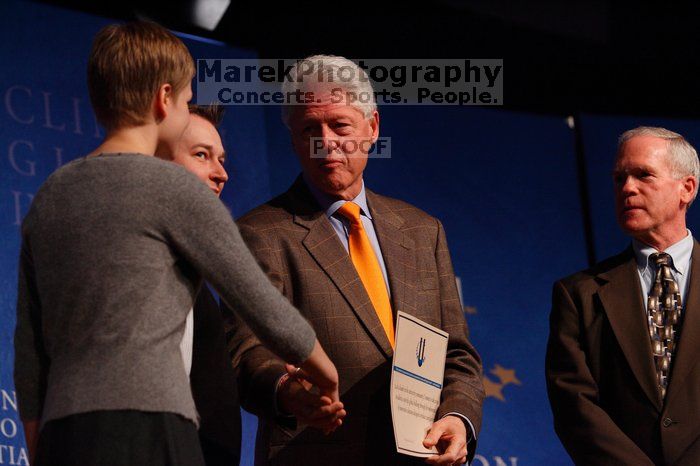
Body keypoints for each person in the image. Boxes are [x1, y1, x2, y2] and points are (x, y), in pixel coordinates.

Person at [14, 22, 340, 466]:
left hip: (64, 433)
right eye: (187, 101)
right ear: (163, 99)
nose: (187, 111)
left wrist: (41, 447)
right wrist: (327, 374)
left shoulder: (50, 195)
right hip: (152, 431)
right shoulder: (173, 188)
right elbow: (259, 301)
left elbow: (30, 348)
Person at [227, 55, 484, 466]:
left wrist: (458, 416)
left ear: (373, 128)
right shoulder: (259, 233)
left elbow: (456, 353)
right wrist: (288, 391)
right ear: (293, 139)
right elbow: (246, 352)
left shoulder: (422, 230)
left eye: (340, 125)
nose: (325, 142)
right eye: (310, 128)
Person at [546, 126, 700, 465]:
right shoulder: (578, 294)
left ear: (686, 189)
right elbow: (575, 408)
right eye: (619, 179)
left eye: (643, 175)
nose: (627, 188)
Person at [156, 104, 239, 465]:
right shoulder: (146, 263)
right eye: (202, 155)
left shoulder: (191, 269)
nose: (220, 174)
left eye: (221, 159)